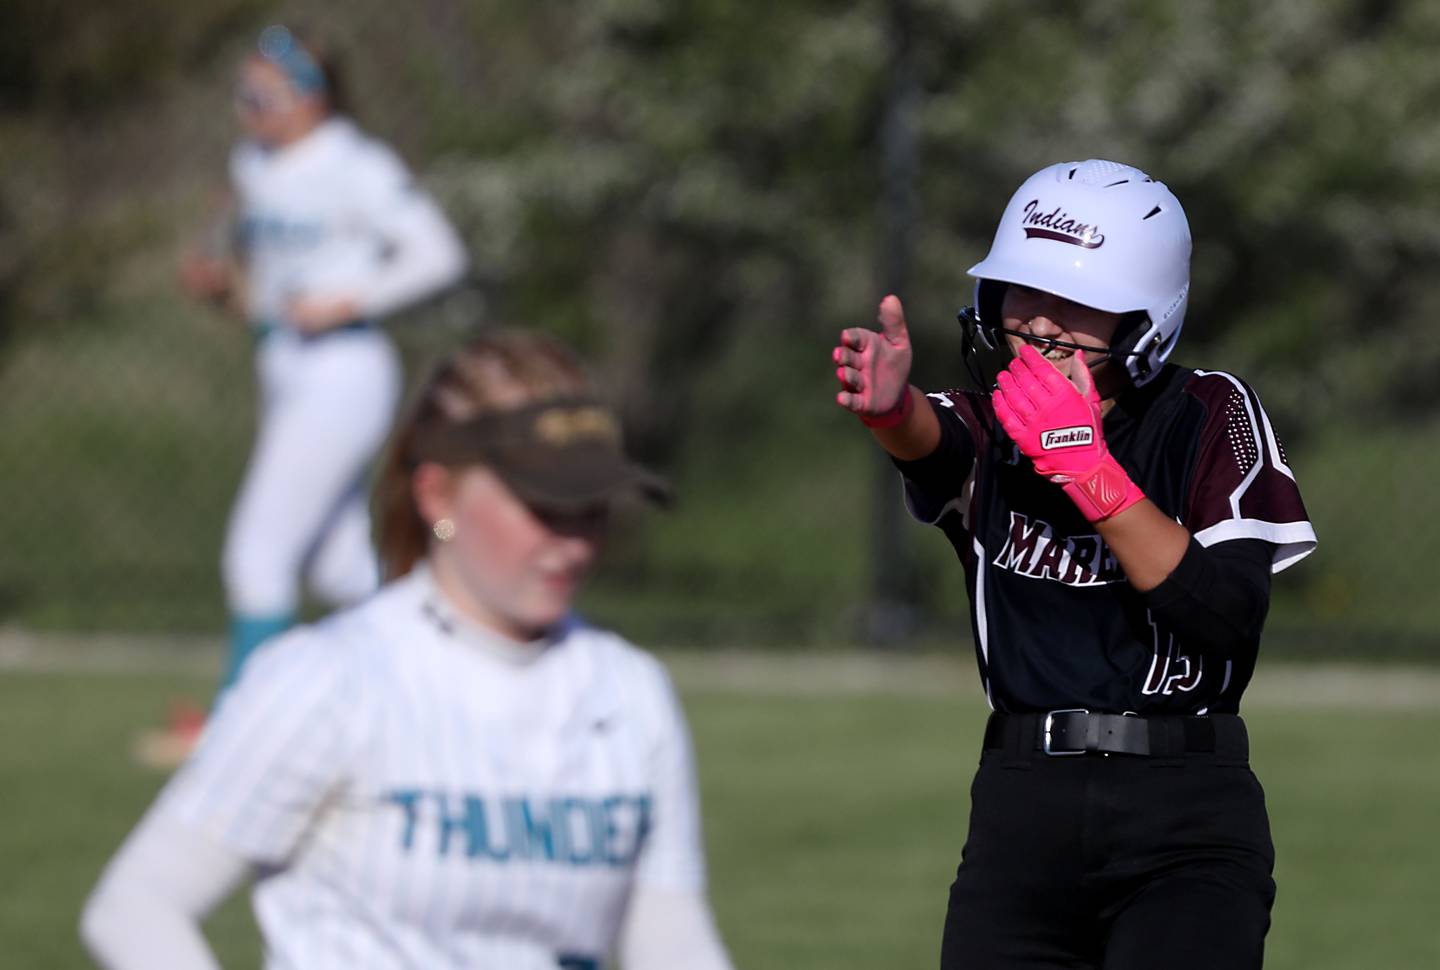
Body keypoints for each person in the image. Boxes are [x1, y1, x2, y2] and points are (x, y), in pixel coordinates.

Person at [82, 330, 736, 970]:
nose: (572, 542)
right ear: (436, 496)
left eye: (590, 508)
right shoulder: (329, 680)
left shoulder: (630, 692)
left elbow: (672, 942)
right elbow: (137, 907)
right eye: (544, 505)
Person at [831, 159, 1317, 969]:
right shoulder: (999, 421)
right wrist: (890, 408)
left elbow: (1227, 619)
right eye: (1024, 294)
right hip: (1023, 801)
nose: (1043, 325)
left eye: (1077, 303)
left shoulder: (1209, 413)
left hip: (1182, 812)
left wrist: (1088, 472)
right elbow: (937, 437)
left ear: (1146, 318)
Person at [178, 24, 468, 697]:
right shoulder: (252, 165)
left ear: (314, 97)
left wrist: (351, 299)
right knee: (338, 568)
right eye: (243, 93)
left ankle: (239, 722)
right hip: (283, 366)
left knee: (257, 556)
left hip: (343, 369)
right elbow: (260, 289)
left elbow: (439, 254)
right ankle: (425, 687)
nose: (249, 108)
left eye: (265, 94)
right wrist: (221, 287)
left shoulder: (355, 163)